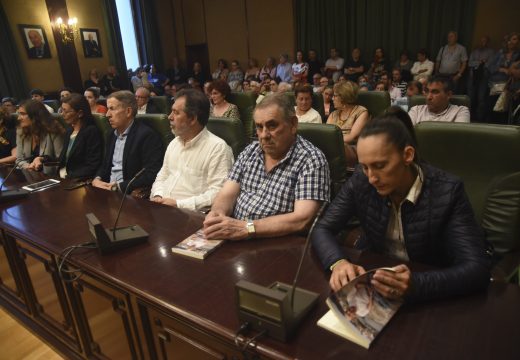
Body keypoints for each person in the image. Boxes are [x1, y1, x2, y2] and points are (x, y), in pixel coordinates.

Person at [311, 115, 491, 302]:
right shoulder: (361, 180)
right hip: (375, 280)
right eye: (364, 167)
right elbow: (323, 228)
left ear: (407, 155)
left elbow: (477, 269)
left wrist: (417, 284)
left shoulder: (448, 190)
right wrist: (338, 262)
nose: (371, 178)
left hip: (431, 294)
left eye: (379, 166)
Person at [203, 93, 330, 241]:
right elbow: (227, 194)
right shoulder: (250, 151)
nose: (264, 135)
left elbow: (302, 220)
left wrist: (246, 228)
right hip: (235, 237)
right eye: (259, 127)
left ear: (293, 125)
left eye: (272, 125)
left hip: (277, 245)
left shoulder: (311, 159)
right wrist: (217, 214)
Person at [150, 89, 233, 210]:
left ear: (193, 119)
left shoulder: (218, 148)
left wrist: (178, 204)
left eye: (176, 113)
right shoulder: (174, 143)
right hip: (162, 209)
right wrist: (158, 195)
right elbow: (162, 176)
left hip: (191, 217)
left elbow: (218, 193)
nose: (169, 117)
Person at [92, 91, 163, 193]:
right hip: (105, 190)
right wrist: (97, 178)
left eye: (112, 109)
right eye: (107, 109)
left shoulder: (147, 135)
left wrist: (119, 187)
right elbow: (105, 164)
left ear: (128, 112)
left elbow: (151, 173)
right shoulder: (111, 134)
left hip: (127, 194)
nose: (107, 114)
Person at [58, 94, 102, 179]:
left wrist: (68, 176)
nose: (62, 114)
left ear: (80, 113)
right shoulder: (69, 131)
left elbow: (92, 165)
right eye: (61, 110)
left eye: (66, 111)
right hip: (62, 176)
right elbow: (63, 159)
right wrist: (42, 159)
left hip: (77, 179)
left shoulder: (91, 131)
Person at [327, 81, 369, 166]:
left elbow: (352, 137)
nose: (332, 99)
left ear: (343, 97)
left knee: (343, 147)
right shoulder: (333, 114)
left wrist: (331, 142)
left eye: (335, 96)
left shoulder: (361, 112)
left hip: (352, 148)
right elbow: (326, 135)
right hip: (333, 146)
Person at [16, 100, 65, 170]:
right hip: (31, 175)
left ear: (35, 116)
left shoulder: (53, 130)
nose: (19, 118)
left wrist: (42, 159)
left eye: (23, 114)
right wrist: (29, 166)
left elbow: (61, 158)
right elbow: (19, 160)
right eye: (19, 114)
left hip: (51, 175)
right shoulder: (21, 131)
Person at [467, 36, 495, 121]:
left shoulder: (491, 52)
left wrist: (481, 64)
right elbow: (470, 63)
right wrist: (480, 62)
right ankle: (468, 117)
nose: (483, 43)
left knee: (481, 98)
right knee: (470, 98)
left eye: (485, 41)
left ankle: (479, 118)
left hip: (483, 77)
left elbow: (490, 64)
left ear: (488, 42)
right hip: (473, 77)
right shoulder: (474, 52)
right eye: (481, 41)